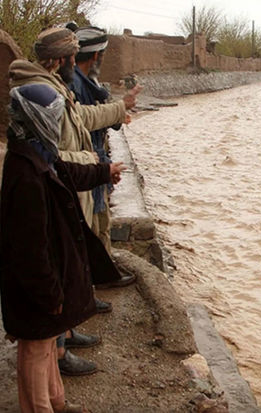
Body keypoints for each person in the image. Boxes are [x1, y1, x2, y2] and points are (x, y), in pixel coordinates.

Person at [8, 26, 137, 375]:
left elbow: (78, 119)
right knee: (58, 267)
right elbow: (56, 154)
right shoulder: (42, 93)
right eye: (73, 54)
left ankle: (64, 334)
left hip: (69, 183)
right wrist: (96, 164)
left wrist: (116, 109)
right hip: (63, 187)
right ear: (65, 59)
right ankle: (59, 351)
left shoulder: (51, 84)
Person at [0, 83, 126, 413]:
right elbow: (30, 250)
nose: (57, 125)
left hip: (43, 281)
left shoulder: (35, 154)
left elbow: (67, 172)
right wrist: (49, 293)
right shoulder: (25, 174)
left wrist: (103, 172)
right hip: (35, 286)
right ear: (38, 120)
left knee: (45, 347)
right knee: (36, 351)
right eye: (53, 117)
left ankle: (56, 402)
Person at [69, 26, 118, 253]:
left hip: (94, 165)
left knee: (101, 225)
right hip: (86, 166)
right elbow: (85, 120)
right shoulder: (76, 84)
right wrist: (119, 108)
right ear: (96, 56)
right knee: (92, 228)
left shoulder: (88, 82)